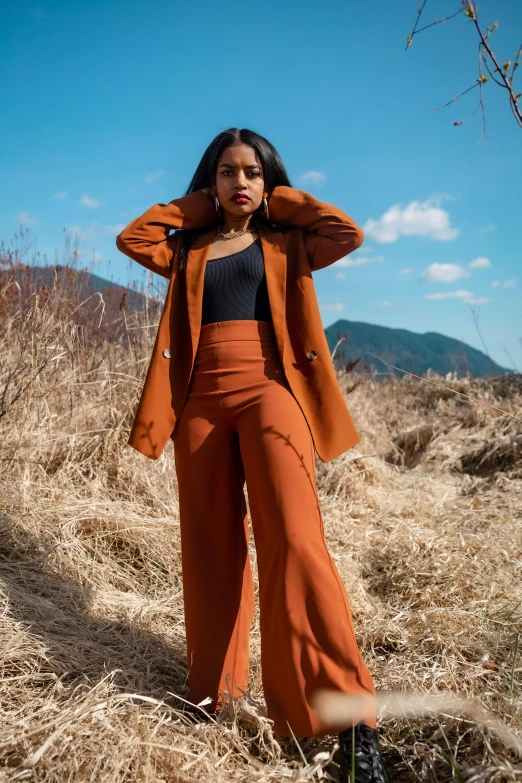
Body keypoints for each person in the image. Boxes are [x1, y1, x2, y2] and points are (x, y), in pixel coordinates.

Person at [116, 128, 390, 782]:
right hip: (199, 403)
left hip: (272, 392)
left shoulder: (287, 240)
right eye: (227, 172)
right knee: (211, 548)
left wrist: (279, 201)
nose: (240, 181)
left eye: (252, 172)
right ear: (210, 182)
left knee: (295, 541)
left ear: (268, 182)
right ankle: (214, 697)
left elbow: (344, 231)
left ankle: (346, 720)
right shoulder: (187, 248)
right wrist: (202, 208)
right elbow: (133, 237)